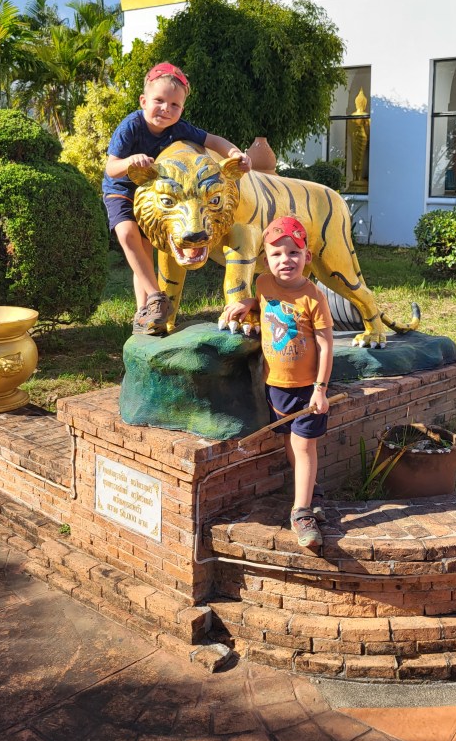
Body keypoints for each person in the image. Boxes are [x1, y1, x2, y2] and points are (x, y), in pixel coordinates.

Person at [103, 62, 251, 335]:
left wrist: (235, 154)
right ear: (143, 101)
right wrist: (130, 162)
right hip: (122, 189)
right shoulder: (131, 126)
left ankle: (146, 315)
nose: (166, 109)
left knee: (143, 255)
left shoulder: (179, 128)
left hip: (157, 197)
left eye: (175, 105)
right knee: (127, 235)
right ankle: (156, 297)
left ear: (182, 109)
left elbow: (214, 140)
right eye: (159, 101)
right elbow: (111, 168)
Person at [222, 216, 333, 552]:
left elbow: (326, 344)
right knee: (290, 441)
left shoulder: (314, 297)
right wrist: (248, 303)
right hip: (276, 386)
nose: (286, 260)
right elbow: (264, 302)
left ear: (307, 257)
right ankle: (312, 492)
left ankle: (302, 513)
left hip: (307, 389)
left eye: (293, 252)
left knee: (303, 446)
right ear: (265, 260)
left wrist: (320, 389)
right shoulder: (263, 283)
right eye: (277, 254)